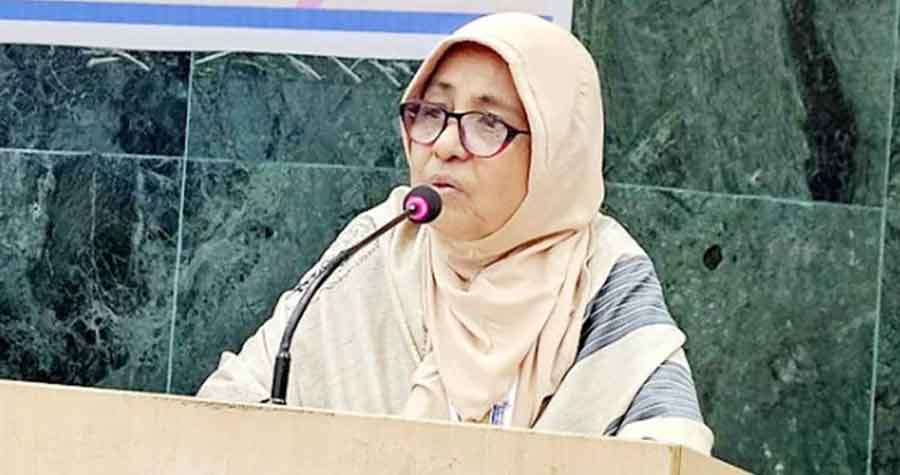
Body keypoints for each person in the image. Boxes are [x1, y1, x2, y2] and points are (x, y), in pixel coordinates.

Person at [197, 12, 714, 454]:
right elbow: (229, 404)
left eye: (487, 121)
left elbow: (672, 450)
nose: (445, 144)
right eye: (432, 113)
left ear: (557, 149)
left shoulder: (602, 273)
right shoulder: (379, 243)